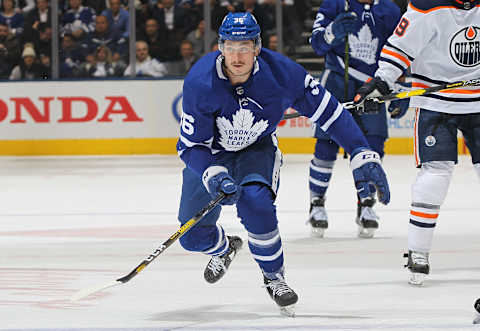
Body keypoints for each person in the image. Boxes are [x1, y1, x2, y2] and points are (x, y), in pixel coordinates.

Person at [176, 12, 390, 316]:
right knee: (191, 238)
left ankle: (274, 277)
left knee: (256, 203)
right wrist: (213, 172)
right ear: (220, 47)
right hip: (211, 156)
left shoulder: (283, 74)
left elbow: (330, 112)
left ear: (257, 47)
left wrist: (360, 151)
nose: (237, 56)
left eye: (245, 47)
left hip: (256, 149)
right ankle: (225, 248)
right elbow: (190, 146)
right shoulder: (200, 82)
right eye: (231, 46)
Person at [352, 0, 480, 285]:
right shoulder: (426, 6)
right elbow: (401, 46)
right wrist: (382, 82)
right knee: (435, 174)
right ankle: (418, 251)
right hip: (437, 101)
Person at [307, 0, 405, 238]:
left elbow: (402, 50)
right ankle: (316, 204)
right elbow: (316, 44)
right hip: (337, 80)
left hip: (372, 86)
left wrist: (400, 85)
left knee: (373, 146)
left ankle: (366, 205)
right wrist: (332, 33)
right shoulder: (334, 4)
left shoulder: (390, 10)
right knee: (326, 146)